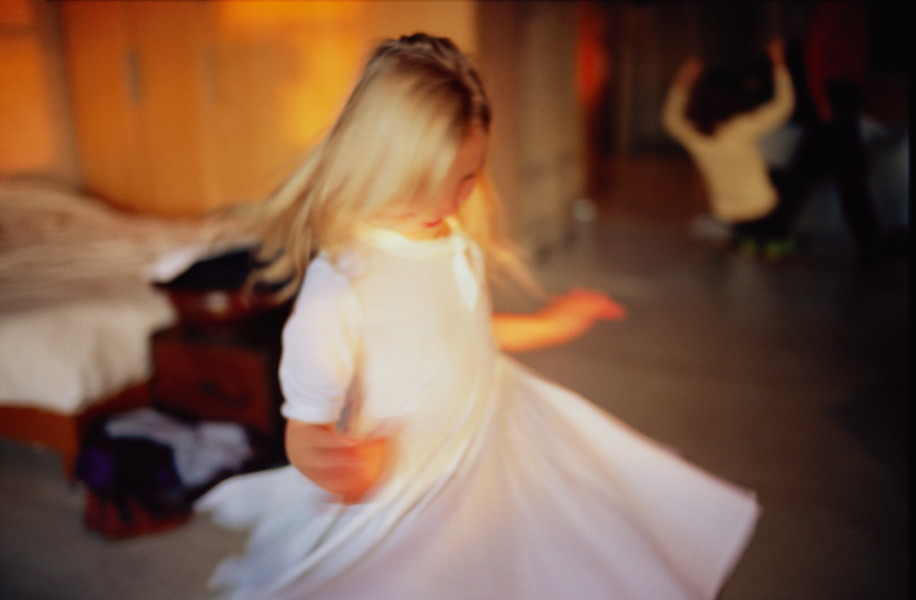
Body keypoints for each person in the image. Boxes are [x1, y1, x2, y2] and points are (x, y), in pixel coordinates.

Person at [197, 33, 760, 600]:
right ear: (374, 163)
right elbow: (305, 427)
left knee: (569, 539)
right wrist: (334, 464)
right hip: (413, 482)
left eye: (466, 180)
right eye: (426, 187)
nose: (447, 205)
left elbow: (461, 333)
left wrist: (551, 323)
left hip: (487, 431)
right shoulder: (341, 285)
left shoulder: (448, 237)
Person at [663, 39, 797, 258]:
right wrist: (779, 63)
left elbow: (670, 118)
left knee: (770, 178)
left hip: (725, 213)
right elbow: (784, 105)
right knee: (783, 176)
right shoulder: (742, 127)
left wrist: (685, 77)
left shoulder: (694, 133)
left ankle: (740, 236)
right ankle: (771, 238)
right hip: (763, 210)